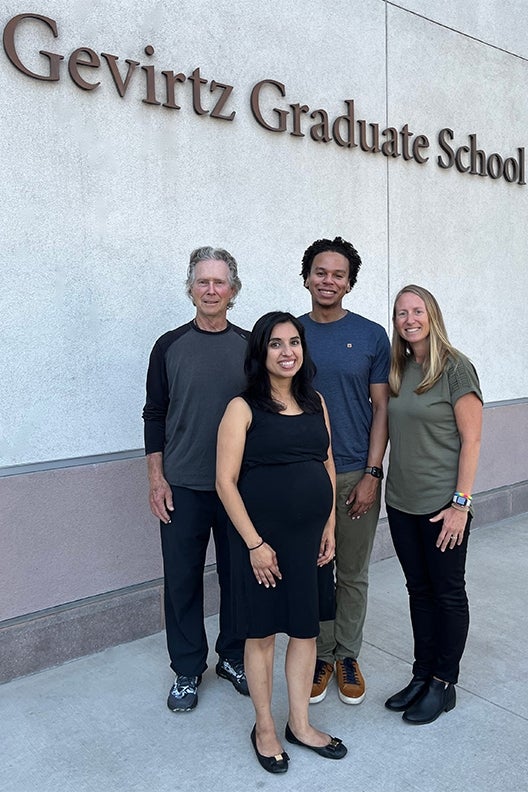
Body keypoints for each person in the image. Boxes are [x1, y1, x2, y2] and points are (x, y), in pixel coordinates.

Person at [216, 311, 347, 774]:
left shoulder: (316, 402)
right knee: (263, 633)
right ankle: (265, 727)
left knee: (305, 630)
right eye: (276, 343)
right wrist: (254, 544)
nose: (287, 351)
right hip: (262, 545)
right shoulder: (242, 407)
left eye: (295, 342)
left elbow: (327, 463)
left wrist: (329, 525)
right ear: (261, 352)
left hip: (310, 539)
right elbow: (225, 482)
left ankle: (301, 724)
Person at [142, 246, 250, 712]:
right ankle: (187, 668)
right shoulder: (169, 346)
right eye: (202, 282)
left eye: (219, 282)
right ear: (190, 288)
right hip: (182, 486)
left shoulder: (251, 347)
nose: (211, 290)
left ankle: (232, 656)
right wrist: (156, 478)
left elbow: (264, 415)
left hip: (239, 489)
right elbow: (155, 414)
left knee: (239, 578)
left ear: (233, 291)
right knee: (182, 580)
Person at [384, 285, 483, 725]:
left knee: (447, 593)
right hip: (402, 504)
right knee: (418, 592)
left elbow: (472, 439)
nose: (409, 319)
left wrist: (461, 504)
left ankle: (444, 683)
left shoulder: (457, 369)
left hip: (443, 506)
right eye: (401, 312)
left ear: (432, 315)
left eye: (417, 310)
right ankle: (421, 673)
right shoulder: (400, 368)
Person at [298, 237, 390, 705]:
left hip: (355, 472)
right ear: (306, 277)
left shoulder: (373, 335)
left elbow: (381, 408)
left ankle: (347, 655)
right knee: (315, 571)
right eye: (320, 272)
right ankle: (320, 654)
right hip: (305, 476)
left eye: (337, 274)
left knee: (351, 572)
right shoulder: (288, 333)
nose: (327, 280)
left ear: (349, 282)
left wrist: (373, 472)